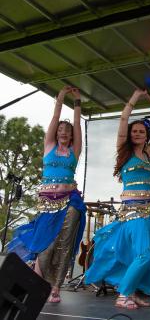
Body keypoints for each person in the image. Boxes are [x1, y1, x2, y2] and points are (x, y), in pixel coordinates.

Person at [85, 89, 150, 310]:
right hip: (134, 210)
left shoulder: (148, 153)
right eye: (134, 131)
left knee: (149, 253)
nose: (138, 134)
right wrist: (135, 97)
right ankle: (123, 294)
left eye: (141, 131)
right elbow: (123, 118)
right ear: (129, 135)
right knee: (145, 253)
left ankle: (135, 292)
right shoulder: (125, 152)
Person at [8, 86, 86, 303]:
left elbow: (77, 125)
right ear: (56, 133)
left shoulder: (74, 151)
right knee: (46, 243)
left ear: (71, 136)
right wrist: (60, 98)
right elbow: (54, 117)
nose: (64, 132)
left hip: (70, 201)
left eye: (67, 131)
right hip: (47, 203)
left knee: (64, 243)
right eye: (61, 129)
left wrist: (78, 102)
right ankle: (37, 280)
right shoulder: (49, 146)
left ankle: (56, 287)